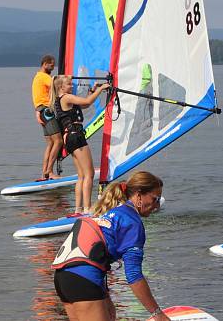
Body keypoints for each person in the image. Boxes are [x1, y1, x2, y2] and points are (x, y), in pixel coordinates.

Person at [51, 171, 170, 321]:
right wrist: (157, 313)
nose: (157, 206)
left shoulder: (113, 213)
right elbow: (134, 276)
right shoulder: (132, 223)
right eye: (155, 199)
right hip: (83, 278)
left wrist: (105, 296)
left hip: (63, 277)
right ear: (139, 195)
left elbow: (94, 255)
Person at [50, 75, 110, 215]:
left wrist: (93, 90)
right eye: (69, 84)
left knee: (81, 176)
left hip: (69, 138)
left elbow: (84, 104)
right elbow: (88, 101)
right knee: (89, 174)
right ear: (61, 87)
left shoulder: (63, 100)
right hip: (76, 136)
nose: (72, 86)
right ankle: (88, 208)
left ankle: (78, 209)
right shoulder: (66, 97)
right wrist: (101, 89)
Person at [32, 54, 63, 181]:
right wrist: (67, 79)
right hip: (46, 111)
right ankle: (50, 172)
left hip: (41, 111)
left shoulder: (37, 77)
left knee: (50, 143)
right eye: (51, 64)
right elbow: (57, 85)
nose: (53, 67)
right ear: (45, 64)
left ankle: (44, 173)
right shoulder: (44, 77)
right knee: (58, 141)